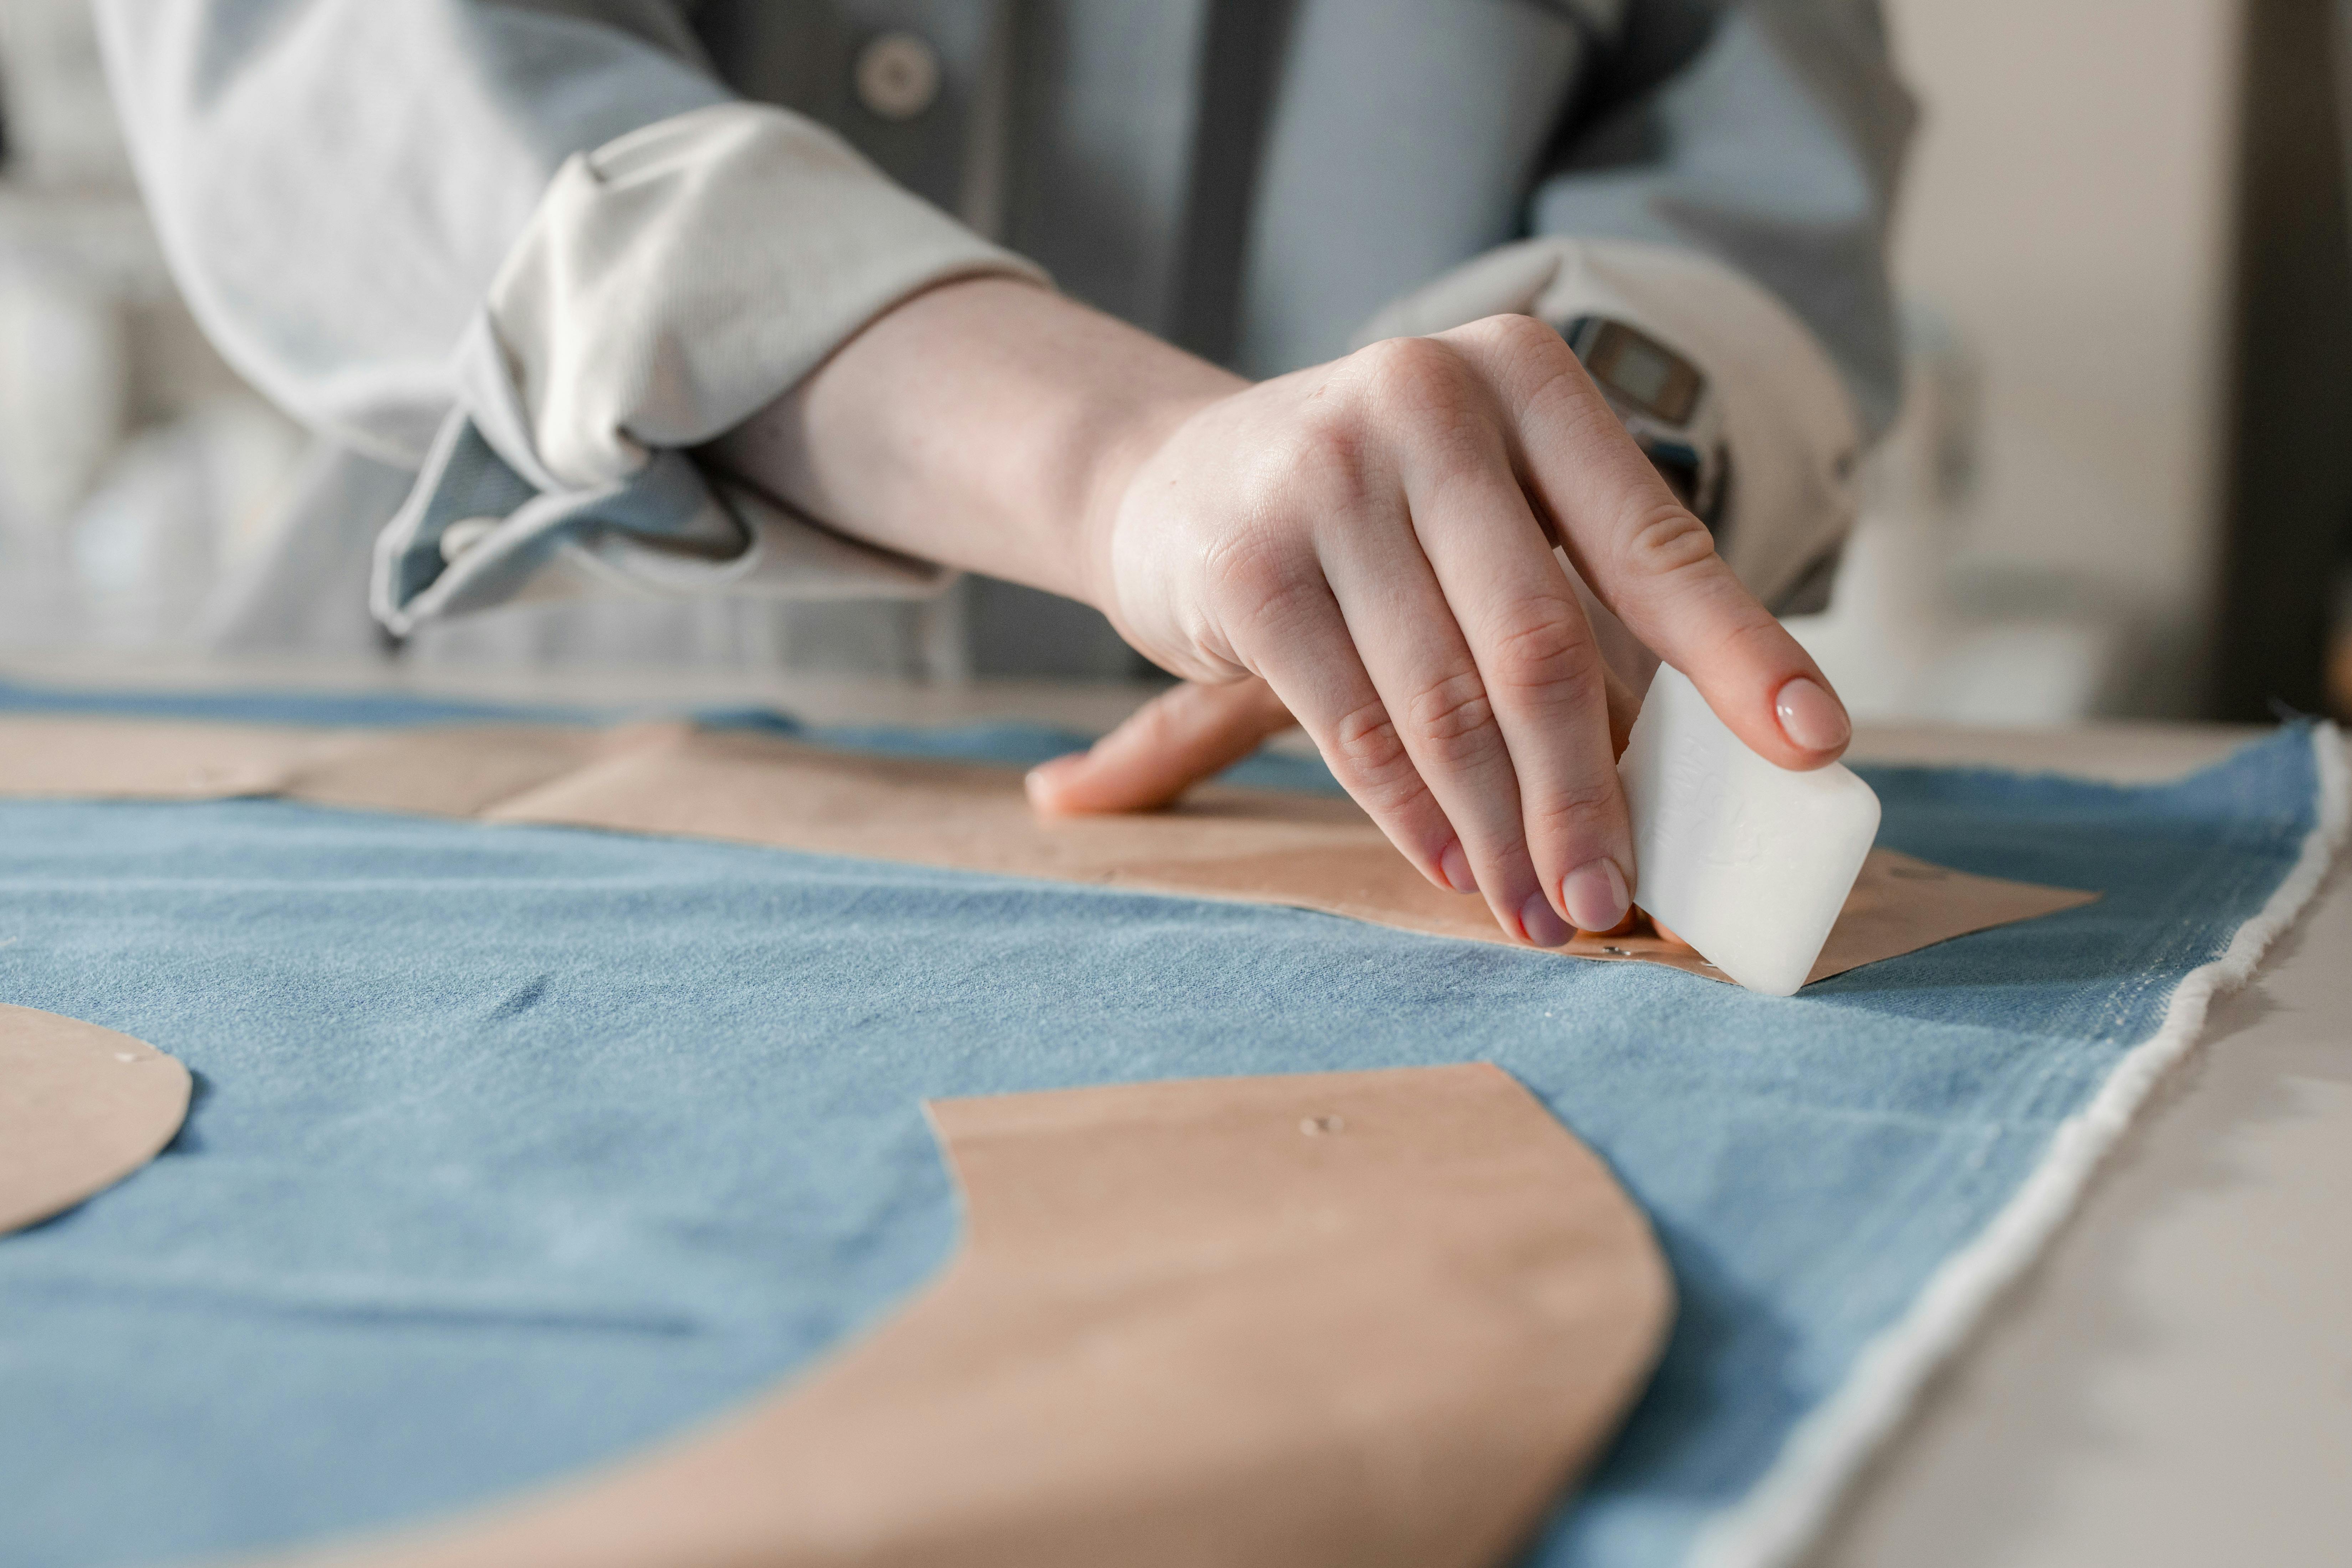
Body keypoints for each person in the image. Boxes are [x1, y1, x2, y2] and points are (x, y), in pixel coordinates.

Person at [93, 0, 1913, 949]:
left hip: (1342, 834)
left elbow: (1753, 188)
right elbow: (340, 84)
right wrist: (1126, 460)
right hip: (507, 797)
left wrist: (1515, 478)